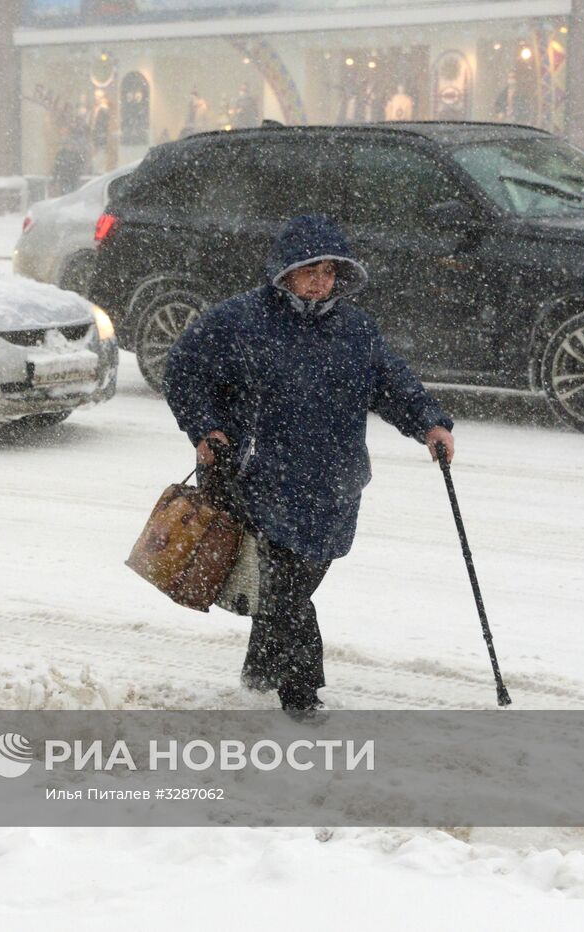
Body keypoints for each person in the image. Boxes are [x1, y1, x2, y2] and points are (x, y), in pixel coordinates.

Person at [162, 215, 455, 719]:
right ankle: (300, 695)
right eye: (310, 270)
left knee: (294, 579)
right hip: (257, 474)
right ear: (284, 271)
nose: (321, 281)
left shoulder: (356, 329)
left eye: (329, 271)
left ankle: (259, 673)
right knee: (285, 586)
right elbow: (183, 370)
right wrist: (205, 428)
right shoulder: (239, 320)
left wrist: (430, 424)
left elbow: (392, 383)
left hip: (334, 480)